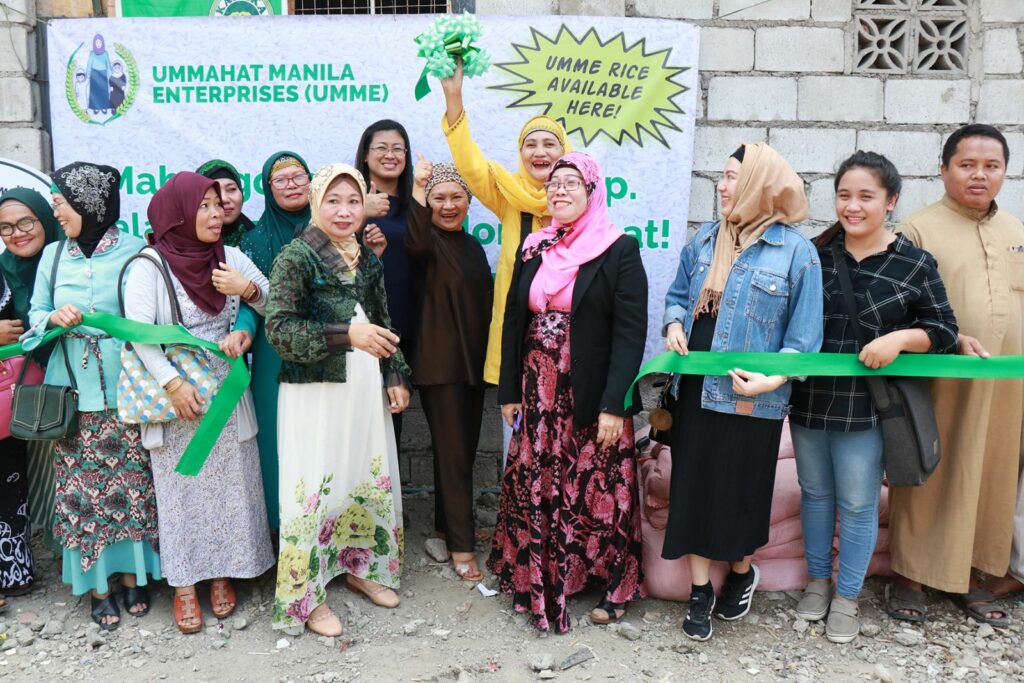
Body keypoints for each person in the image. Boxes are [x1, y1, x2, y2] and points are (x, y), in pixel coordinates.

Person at [788, 151, 959, 643]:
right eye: (845, 195)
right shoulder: (814, 254)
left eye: (866, 196)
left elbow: (944, 329)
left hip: (868, 407)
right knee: (816, 496)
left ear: (891, 202)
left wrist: (901, 339)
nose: (853, 206)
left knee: (859, 504)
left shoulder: (913, 263)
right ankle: (817, 583)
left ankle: (847, 597)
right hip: (811, 399)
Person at [661, 143, 823, 641]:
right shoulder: (705, 240)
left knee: (743, 495)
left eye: (732, 177)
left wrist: (774, 379)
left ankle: (739, 573)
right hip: (694, 390)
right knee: (691, 489)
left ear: (758, 184)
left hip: (754, 399)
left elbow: (804, 339)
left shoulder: (797, 252)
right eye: (721, 177)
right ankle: (699, 593)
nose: (721, 186)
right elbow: (677, 297)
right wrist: (672, 325)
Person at [493, 152, 647, 634]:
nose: (559, 190)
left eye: (571, 183)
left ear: (593, 191)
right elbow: (514, 321)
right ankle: (542, 578)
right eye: (553, 183)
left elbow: (630, 333)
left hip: (591, 395)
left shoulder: (619, 248)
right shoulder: (534, 247)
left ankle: (615, 584)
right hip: (537, 394)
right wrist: (508, 390)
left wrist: (613, 404)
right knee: (539, 483)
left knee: (601, 491)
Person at [124, 172, 274, 634]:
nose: (215, 214)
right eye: (204, 207)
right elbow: (139, 334)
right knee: (182, 490)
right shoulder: (149, 265)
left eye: (217, 205)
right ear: (179, 215)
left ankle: (223, 575)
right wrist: (172, 385)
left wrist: (246, 300)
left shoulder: (229, 257)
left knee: (231, 485)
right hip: (179, 398)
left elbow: (273, 301)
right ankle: (186, 585)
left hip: (227, 390)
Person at [888, 124, 1024, 626]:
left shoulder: (1016, 231)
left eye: (992, 166)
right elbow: (899, 309)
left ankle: (969, 573)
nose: (979, 175)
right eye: (967, 165)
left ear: (1006, 173)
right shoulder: (917, 231)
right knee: (931, 469)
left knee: (988, 474)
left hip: (1004, 388)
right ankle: (910, 575)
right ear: (943, 169)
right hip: (939, 382)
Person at [266, 163, 409, 636]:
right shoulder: (296, 257)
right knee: (314, 484)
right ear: (315, 202)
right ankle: (306, 598)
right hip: (316, 393)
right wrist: (346, 334)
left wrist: (395, 372)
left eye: (353, 201)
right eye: (333, 200)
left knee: (358, 473)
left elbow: (384, 319)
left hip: (363, 390)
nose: (344, 211)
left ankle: (359, 567)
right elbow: (280, 331)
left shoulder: (367, 259)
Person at [25, 162, 159, 631]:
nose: (57, 212)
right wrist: (50, 318)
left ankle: (133, 578)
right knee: (83, 496)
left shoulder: (135, 252)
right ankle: (99, 588)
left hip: (127, 391)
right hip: (71, 393)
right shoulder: (54, 258)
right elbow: (33, 316)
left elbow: (150, 316)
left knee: (132, 490)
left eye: (62, 203)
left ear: (89, 202)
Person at [440, 60, 572, 456]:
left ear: (564, 153)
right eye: (530, 144)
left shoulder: (580, 206)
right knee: (519, 449)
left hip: (568, 348)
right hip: (519, 345)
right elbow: (470, 164)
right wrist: (454, 97)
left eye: (549, 144)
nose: (539, 151)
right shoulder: (509, 197)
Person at [405, 157, 492, 580]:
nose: (448, 205)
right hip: (441, 366)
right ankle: (461, 546)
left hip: (472, 366)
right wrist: (419, 189)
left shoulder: (472, 246)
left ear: (470, 200)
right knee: (456, 456)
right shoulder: (426, 240)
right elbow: (416, 238)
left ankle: (446, 523)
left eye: (457, 196)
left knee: (464, 451)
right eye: (439, 198)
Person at [240, 151, 311, 530]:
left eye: (299, 177)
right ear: (268, 189)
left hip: (322, 345)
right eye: (280, 180)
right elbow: (248, 303)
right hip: (271, 352)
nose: (291, 185)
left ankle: (321, 529)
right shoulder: (254, 240)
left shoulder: (329, 226)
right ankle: (279, 528)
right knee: (275, 434)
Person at [0, 187, 63, 578]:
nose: (17, 233)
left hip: (78, 380)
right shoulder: (2, 272)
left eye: (26, 221)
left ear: (45, 218)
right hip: (23, 396)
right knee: (29, 475)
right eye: (5, 227)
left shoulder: (69, 261)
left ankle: (72, 555)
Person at [355, 119, 417, 453]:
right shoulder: (347, 203)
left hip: (407, 331)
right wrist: (361, 211)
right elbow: (319, 245)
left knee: (392, 430)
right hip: (362, 332)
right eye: (381, 147)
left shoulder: (417, 205)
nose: (390, 155)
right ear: (365, 155)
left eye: (398, 148)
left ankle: (386, 504)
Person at [197, 159, 255, 248]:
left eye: (231, 189)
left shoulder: (259, 243)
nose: (224, 199)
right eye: (215, 191)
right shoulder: (181, 245)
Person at [86, 34, 112, 115]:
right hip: (94, 74)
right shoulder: (92, 53)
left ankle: (104, 107)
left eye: (100, 42)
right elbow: (89, 63)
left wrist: (110, 74)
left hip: (103, 73)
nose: (98, 44)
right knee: (95, 92)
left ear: (102, 43)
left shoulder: (105, 53)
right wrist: (88, 74)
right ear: (94, 43)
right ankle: (95, 108)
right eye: (96, 43)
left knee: (103, 91)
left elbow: (108, 64)